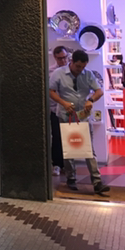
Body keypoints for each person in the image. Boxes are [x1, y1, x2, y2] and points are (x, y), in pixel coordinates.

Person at [49, 49, 110, 196]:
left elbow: (99, 91)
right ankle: (71, 178)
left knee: (89, 149)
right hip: (65, 116)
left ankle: (97, 182)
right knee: (69, 148)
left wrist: (91, 100)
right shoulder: (58, 73)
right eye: (78, 66)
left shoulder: (88, 74)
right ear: (71, 62)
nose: (80, 69)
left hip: (83, 117)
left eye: (83, 67)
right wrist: (63, 103)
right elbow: (51, 91)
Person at [49, 46, 69, 176]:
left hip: (69, 109)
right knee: (57, 136)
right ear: (55, 58)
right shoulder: (51, 71)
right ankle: (56, 164)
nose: (63, 60)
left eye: (65, 57)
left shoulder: (72, 70)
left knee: (69, 136)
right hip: (55, 108)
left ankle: (68, 164)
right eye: (60, 58)